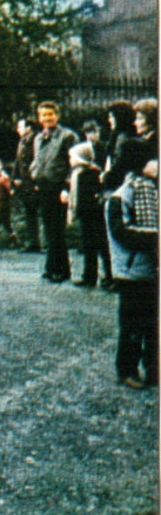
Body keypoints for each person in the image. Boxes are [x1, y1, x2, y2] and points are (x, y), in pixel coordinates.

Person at [105, 143, 158, 390]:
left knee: (153, 324)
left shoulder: (151, 191)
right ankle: (126, 369)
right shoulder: (122, 195)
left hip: (150, 269)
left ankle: (153, 369)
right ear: (139, 163)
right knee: (132, 324)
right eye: (153, 159)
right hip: (132, 271)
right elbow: (121, 233)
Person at [30, 101, 77, 283]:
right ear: (39, 118)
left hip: (58, 187)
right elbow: (37, 160)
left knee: (57, 229)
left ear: (57, 115)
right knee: (49, 228)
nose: (47, 118)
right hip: (43, 186)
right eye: (43, 115)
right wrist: (35, 176)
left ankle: (62, 269)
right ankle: (51, 266)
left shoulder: (67, 136)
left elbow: (72, 164)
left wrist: (67, 187)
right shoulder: (38, 138)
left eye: (50, 114)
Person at [65, 142, 112, 289]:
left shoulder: (89, 174)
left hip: (92, 214)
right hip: (86, 214)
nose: (70, 160)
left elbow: (90, 195)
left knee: (99, 245)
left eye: (73, 157)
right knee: (89, 246)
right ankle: (90, 275)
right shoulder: (77, 174)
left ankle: (107, 276)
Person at [12, 118, 41, 252]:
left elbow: (37, 162)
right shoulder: (22, 141)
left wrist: (36, 181)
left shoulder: (36, 141)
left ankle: (40, 242)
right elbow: (18, 162)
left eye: (20, 126)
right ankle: (32, 242)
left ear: (29, 128)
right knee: (29, 212)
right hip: (25, 183)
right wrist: (15, 178)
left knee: (37, 212)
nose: (18, 129)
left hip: (34, 182)